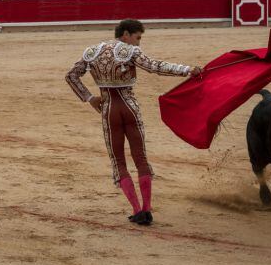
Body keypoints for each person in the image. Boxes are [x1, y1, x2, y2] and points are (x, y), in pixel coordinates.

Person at [66, 19, 203, 225]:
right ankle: (147, 209)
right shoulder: (129, 51)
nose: (138, 43)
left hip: (108, 109)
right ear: (126, 34)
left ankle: (137, 210)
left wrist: (90, 98)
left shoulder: (92, 51)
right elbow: (155, 66)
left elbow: (71, 76)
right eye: (137, 38)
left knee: (119, 162)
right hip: (129, 107)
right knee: (140, 158)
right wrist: (187, 70)